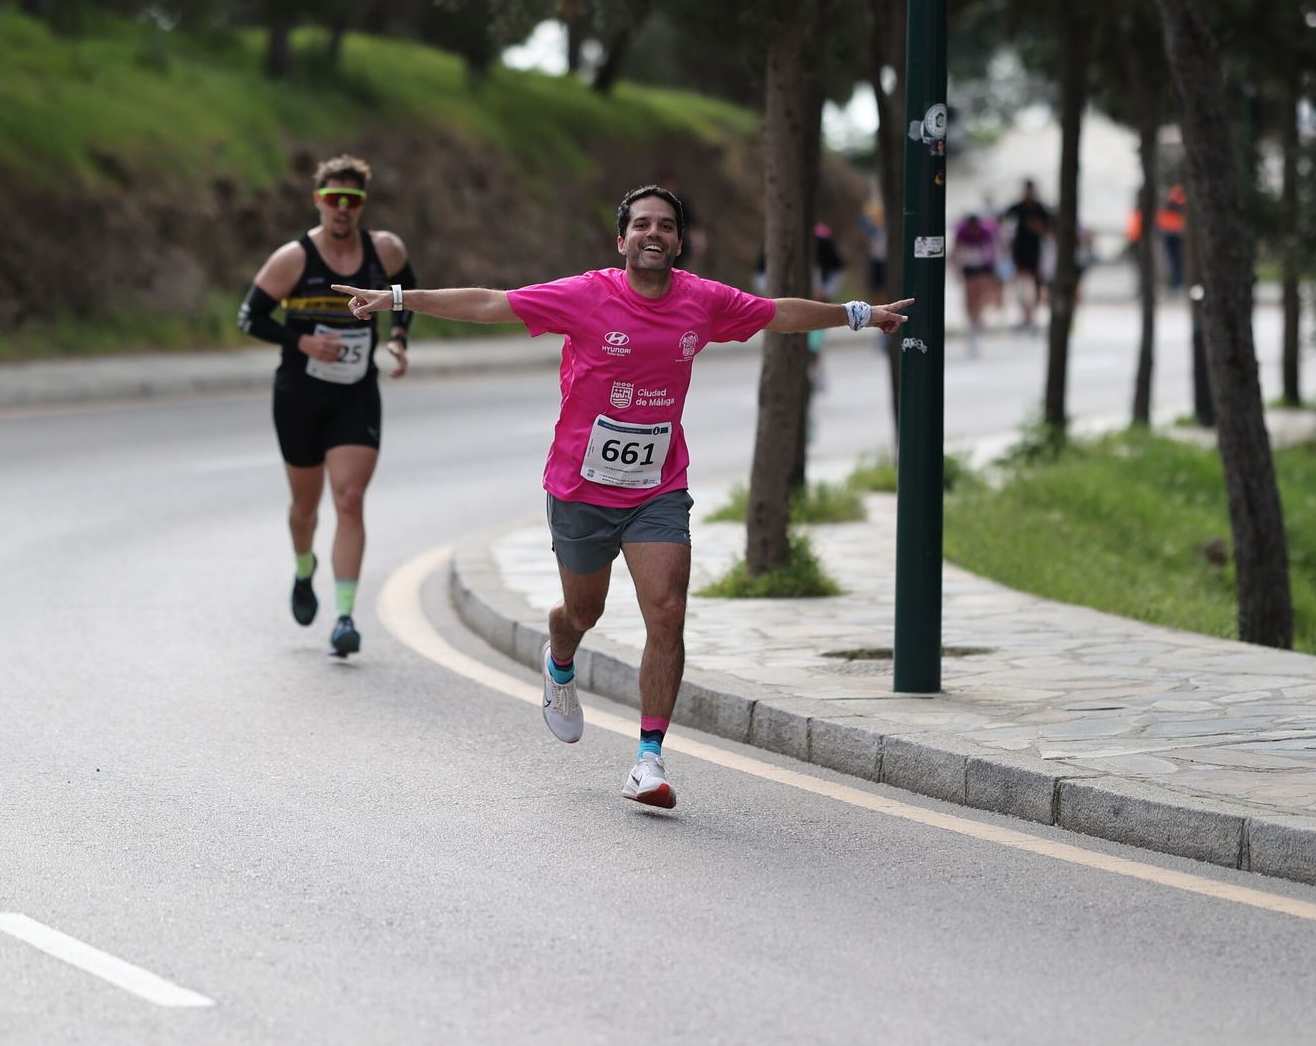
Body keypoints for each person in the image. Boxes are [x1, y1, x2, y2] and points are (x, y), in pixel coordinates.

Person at [333, 185, 912, 809]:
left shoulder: (702, 301)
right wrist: (398, 298)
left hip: (658, 488)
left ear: (679, 242)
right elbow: (491, 303)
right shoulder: (587, 295)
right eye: (641, 224)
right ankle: (560, 656)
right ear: (622, 240)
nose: (653, 233)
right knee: (584, 611)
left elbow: (778, 314)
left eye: (665, 225)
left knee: (667, 609)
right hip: (580, 487)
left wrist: (857, 314)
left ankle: (649, 759)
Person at [237, 154, 415, 658]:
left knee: (350, 498)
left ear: (363, 204)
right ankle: (303, 566)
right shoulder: (293, 258)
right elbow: (250, 317)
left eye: (351, 200)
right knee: (304, 507)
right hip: (299, 394)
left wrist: (398, 338)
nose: (342, 208)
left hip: (355, 394)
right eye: (333, 198)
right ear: (318, 200)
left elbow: (405, 293)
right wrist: (303, 342)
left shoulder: (384, 250)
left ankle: (344, 617)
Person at [1003, 179, 1052, 332]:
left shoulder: (1041, 209)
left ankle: (1032, 316)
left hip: (1036, 253)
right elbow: (1003, 222)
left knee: (1036, 285)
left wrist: (1038, 228)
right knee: (1021, 284)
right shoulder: (1017, 208)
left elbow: (1049, 230)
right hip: (1020, 252)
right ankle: (1024, 315)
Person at [951, 210, 999, 355]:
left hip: (983, 266)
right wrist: (955, 269)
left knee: (980, 295)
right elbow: (956, 250)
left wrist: (992, 272)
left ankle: (977, 321)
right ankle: (972, 321)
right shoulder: (962, 232)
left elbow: (992, 251)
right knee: (970, 296)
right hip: (968, 267)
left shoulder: (986, 232)